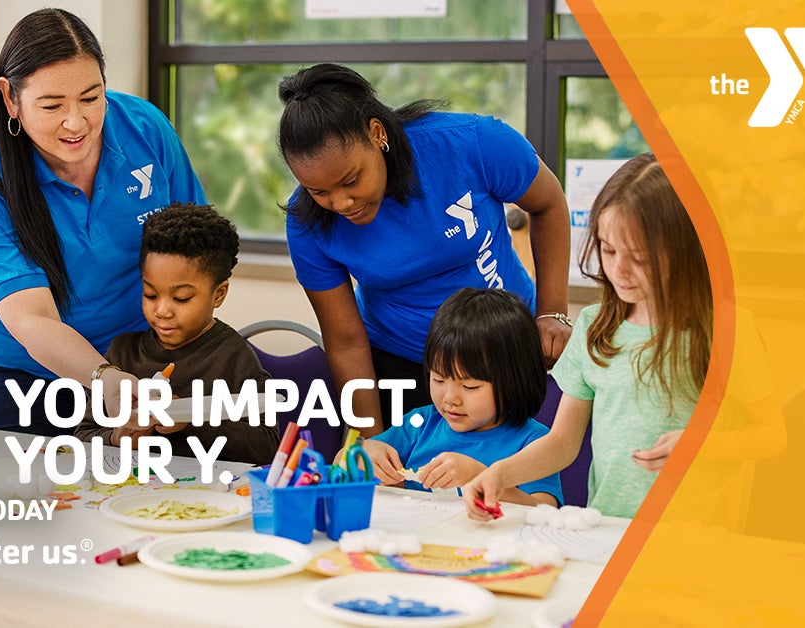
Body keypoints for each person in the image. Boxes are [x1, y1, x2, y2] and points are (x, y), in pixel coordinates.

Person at [276, 63, 572, 437]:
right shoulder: (308, 222)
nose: (341, 203)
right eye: (319, 191)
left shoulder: (471, 144)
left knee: (512, 466)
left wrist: (552, 313)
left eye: (350, 181)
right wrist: (367, 441)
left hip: (505, 346)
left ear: (377, 133)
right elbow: (347, 342)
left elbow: (548, 204)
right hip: (402, 362)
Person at [0, 8, 207, 435]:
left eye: (91, 98)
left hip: (138, 352)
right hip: (20, 373)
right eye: (52, 105)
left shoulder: (144, 129)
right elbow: (33, 319)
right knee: (36, 477)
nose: (76, 122)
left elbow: (196, 243)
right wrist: (103, 377)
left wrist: (186, 350)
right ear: (10, 98)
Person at [463, 153, 712, 519]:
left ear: (684, 250)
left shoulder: (723, 330)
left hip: (697, 530)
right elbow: (562, 442)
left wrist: (702, 442)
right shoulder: (594, 327)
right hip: (610, 525)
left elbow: (769, 436)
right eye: (608, 250)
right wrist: (499, 475)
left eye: (639, 258)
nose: (618, 269)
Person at [74, 203, 279, 464]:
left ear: (218, 294)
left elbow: (267, 446)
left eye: (181, 298)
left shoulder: (233, 357)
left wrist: (190, 419)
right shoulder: (122, 353)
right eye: (150, 294)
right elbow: (83, 435)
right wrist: (116, 438)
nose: (162, 311)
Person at [358, 288, 561, 505]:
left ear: (514, 380)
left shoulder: (534, 442)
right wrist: (362, 453)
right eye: (438, 379)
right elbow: (342, 462)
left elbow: (544, 510)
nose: (450, 399)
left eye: (470, 386)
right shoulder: (420, 424)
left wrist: (480, 478)